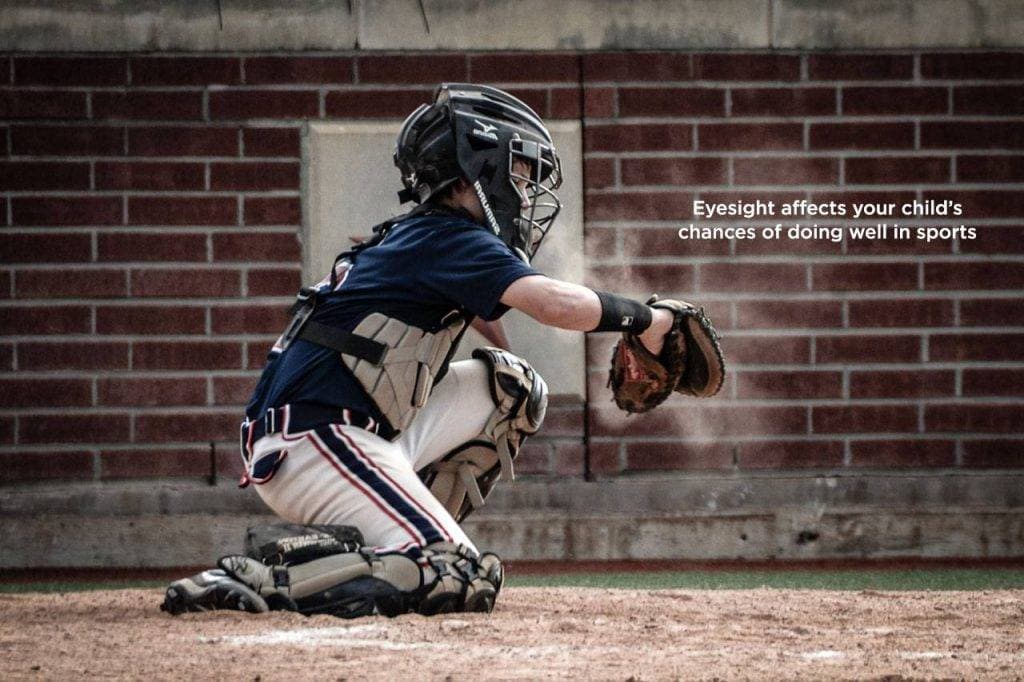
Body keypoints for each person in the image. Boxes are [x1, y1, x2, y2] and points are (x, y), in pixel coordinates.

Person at [161, 83, 679, 619]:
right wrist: (647, 319)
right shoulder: (448, 238)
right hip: (317, 441)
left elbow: (485, 312)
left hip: (331, 431)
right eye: (519, 172)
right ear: (478, 166)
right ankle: (268, 579)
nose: (525, 192)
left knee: (513, 389)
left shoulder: (426, 236)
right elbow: (551, 304)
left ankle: (407, 541)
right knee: (457, 572)